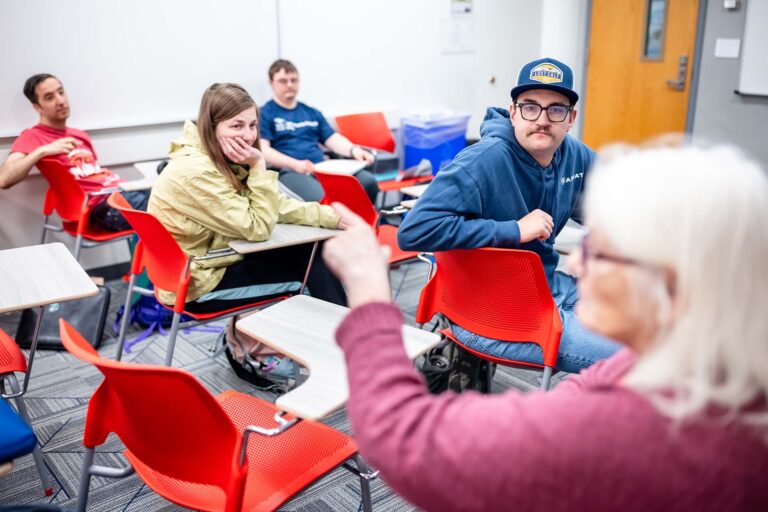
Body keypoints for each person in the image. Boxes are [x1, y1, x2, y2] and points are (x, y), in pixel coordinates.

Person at [323, 144, 768, 511]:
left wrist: (367, 293)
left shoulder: (633, 427)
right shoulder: (710, 361)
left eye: (600, 252)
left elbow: (404, 438)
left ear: (669, 283)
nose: (575, 262)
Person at [397, 57, 618, 373]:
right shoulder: (483, 160)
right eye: (530, 107)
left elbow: (618, 202)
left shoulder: (574, 155)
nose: (542, 119)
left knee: (654, 322)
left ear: (570, 118)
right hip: (488, 312)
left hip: (547, 287)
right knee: (637, 358)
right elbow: (413, 230)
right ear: (513, 112)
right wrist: (513, 229)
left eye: (555, 109)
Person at [148, 83, 347, 314]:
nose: (248, 135)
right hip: (199, 282)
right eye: (236, 125)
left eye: (253, 125)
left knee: (312, 251)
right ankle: (342, 341)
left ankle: (258, 342)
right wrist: (258, 165)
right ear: (211, 128)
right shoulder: (197, 171)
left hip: (210, 262)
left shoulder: (213, 156)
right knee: (312, 274)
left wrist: (328, 216)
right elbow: (258, 227)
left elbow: (268, 204)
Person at [0, 74, 148, 231]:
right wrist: (41, 151)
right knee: (165, 207)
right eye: (49, 97)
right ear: (38, 107)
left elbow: (94, 176)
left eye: (61, 92)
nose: (61, 101)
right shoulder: (33, 136)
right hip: (101, 207)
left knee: (166, 193)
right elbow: (4, 179)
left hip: (122, 194)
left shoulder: (79, 135)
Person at [260, 59, 380, 203]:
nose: (290, 85)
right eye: (283, 81)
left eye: (294, 80)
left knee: (368, 181)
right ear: (271, 83)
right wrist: (295, 164)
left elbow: (332, 138)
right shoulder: (265, 114)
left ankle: (365, 224)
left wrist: (354, 150)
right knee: (323, 200)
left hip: (321, 168)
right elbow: (264, 151)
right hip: (290, 171)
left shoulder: (311, 112)